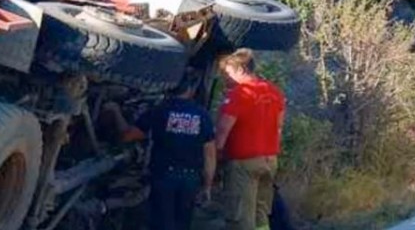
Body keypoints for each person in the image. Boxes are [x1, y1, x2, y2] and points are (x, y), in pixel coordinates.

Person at [101, 70, 217, 230]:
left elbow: (127, 136)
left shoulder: (160, 110)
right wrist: (207, 186)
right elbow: (210, 154)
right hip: (190, 179)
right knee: (182, 224)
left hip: (164, 176)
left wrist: (115, 111)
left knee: (161, 224)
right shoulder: (203, 115)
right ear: (190, 89)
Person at [215, 48, 286, 230]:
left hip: (243, 163)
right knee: (260, 214)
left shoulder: (239, 94)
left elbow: (223, 130)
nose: (226, 77)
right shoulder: (274, 92)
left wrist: (214, 159)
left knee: (240, 216)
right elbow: (278, 127)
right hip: (269, 160)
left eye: (228, 72)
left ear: (240, 69)